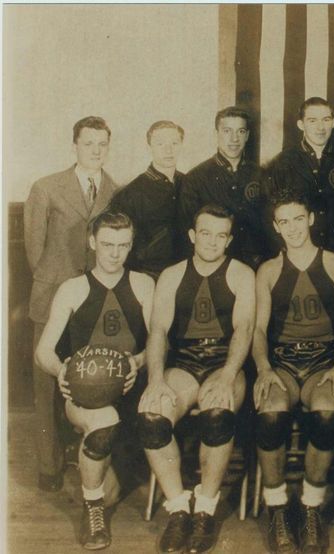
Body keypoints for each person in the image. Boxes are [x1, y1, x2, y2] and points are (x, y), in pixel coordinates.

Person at [137, 204, 256, 554]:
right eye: (206, 233)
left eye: (221, 235)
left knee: (217, 413)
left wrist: (228, 375)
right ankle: (177, 509)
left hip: (225, 363)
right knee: (152, 417)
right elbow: (158, 329)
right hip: (185, 364)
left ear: (229, 239)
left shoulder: (241, 273)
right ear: (192, 235)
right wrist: (156, 380)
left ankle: (205, 508)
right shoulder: (173, 275)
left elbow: (244, 329)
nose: (212, 242)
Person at [34, 212, 154, 549]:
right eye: (107, 245)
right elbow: (43, 351)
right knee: (103, 425)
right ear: (92, 243)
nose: (115, 254)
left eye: (123, 245)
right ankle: (92, 513)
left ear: (131, 245)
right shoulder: (72, 289)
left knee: (113, 492)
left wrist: (138, 361)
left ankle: (95, 474)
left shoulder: (144, 284)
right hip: (86, 396)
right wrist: (62, 374)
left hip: (131, 395)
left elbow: (160, 343)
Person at [251, 190, 334, 553]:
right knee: (270, 415)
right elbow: (258, 330)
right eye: (284, 222)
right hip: (282, 363)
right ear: (276, 227)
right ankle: (278, 507)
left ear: (310, 219)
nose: (292, 228)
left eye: (298, 219)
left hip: (323, 363)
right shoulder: (268, 270)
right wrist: (263, 369)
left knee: (327, 415)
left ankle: (311, 506)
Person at [24, 115, 119, 492]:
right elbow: (34, 250)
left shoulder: (115, 188)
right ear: (75, 145)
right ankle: (48, 466)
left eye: (102, 144)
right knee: (47, 383)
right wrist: (60, 284)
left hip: (94, 301)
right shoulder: (46, 188)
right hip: (52, 295)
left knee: (88, 378)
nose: (95, 150)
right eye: (88, 143)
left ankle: (88, 458)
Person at [267, 97, 334, 259]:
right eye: (312, 121)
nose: (320, 127)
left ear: (333, 122)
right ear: (301, 124)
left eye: (326, 120)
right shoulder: (282, 162)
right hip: (298, 252)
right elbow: (272, 212)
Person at [178, 106, 270, 270]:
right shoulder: (195, 178)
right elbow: (188, 233)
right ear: (216, 134)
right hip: (214, 266)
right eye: (227, 131)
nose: (234, 138)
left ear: (247, 135)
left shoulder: (262, 175)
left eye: (240, 131)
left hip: (257, 263)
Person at [110, 121, 186, 279]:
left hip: (186, 274)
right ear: (149, 147)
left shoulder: (191, 184)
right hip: (148, 276)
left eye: (174, 143)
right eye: (160, 144)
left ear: (181, 145)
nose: (168, 150)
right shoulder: (130, 193)